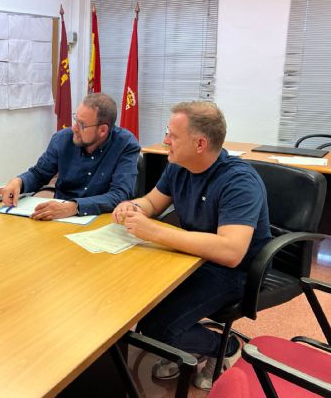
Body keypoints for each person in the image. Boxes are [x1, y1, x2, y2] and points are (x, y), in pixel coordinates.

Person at [112, 101, 271, 391]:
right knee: (129, 297)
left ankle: (225, 346)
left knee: (155, 327)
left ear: (199, 143)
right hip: (190, 257)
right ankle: (187, 347)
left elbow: (231, 252)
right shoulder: (178, 167)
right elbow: (152, 202)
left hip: (234, 272)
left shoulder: (239, 181)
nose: (165, 140)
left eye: (172, 135)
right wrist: (132, 206)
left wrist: (155, 232)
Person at [2, 93, 140, 220]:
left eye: (82, 125)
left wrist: (75, 207)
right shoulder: (62, 139)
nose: (74, 128)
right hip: (59, 215)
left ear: (102, 130)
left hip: (102, 218)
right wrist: (19, 182)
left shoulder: (126, 144)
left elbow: (120, 195)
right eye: (76, 120)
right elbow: (39, 174)